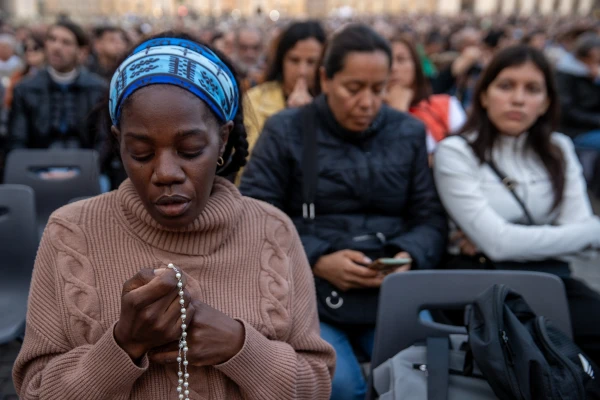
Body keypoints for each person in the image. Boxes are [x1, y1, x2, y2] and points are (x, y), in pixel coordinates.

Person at [12, 32, 335, 399]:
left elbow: (318, 383)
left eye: (190, 149)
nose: (166, 172)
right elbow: (35, 391)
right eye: (141, 153)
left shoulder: (273, 232)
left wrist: (240, 347)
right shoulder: (71, 233)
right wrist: (123, 344)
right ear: (119, 143)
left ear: (223, 140)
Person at [240, 24, 447, 400]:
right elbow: (257, 214)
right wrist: (318, 258)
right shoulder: (286, 129)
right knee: (339, 385)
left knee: (425, 377)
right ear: (325, 79)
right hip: (308, 290)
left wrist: (406, 255)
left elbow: (430, 217)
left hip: (388, 285)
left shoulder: (408, 132)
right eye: (354, 88)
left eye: (379, 88)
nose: (367, 102)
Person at [434, 45, 600, 365]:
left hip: (552, 279)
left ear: (546, 102)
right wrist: (584, 231)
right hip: (483, 287)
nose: (518, 99)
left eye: (533, 89)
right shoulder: (456, 152)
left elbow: (503, 239)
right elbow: (498, 245)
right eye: (506, 86)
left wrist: (584, 231)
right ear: (483, 95)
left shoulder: (560, 149)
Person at [8, 20, 106, 150]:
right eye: (52, 39)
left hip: (87, 165)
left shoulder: (98, 89)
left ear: (82, 51)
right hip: (35, 164)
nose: (56, 47)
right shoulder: (25, 88)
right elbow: (17, 139)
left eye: (66, 42)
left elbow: (103, 140)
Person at [244, 21, 326, 155]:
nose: (302, 71)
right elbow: (250, 161)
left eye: (311, 62)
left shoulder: (334, 103)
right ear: (281, 60)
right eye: (294, 60)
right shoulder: (256, 99)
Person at [385, 36, 466, 155]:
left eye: (401, 59)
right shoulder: (367, 116)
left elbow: (465, 155)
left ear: (416, 65)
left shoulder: (446, 105)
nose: (393, 68)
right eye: (387, 62)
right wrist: (398, 112)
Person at [555, 33, 600, 139]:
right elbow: (568, 112)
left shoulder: (589, 74)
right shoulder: (565, 75)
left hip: (591, 125)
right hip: (575, 131)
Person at [4, 35, 45, 109]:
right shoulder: (18, 76)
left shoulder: (54, 76)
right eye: (26, 48)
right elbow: (8, 101)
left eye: (35, 48)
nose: (29, 51)